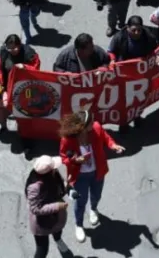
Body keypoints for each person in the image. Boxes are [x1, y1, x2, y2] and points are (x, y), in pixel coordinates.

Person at [59, 110, 125, 243]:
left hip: (97, 172)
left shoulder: (96, 127)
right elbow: (64, 157)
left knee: (97, 195)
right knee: (80, 201)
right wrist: (75, 161)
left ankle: (94, 209)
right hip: (80, 176)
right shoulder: (68, 139)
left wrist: (113, 145)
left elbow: (106, 138)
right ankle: (79, 225)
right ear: (82, 127)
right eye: (91, 121)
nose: (94, 122)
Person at [25, 155, 70, 257]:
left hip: (57, 217)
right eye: (53, 168)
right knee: (42, 249)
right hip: (41, 224)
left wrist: (67, 186)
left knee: (58, 231)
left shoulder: (53, 174)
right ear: (48, 173)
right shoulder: (34, 187)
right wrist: (57, 206)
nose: (56, 168)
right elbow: (35, 208)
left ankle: (58, 240)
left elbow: (60, 185)